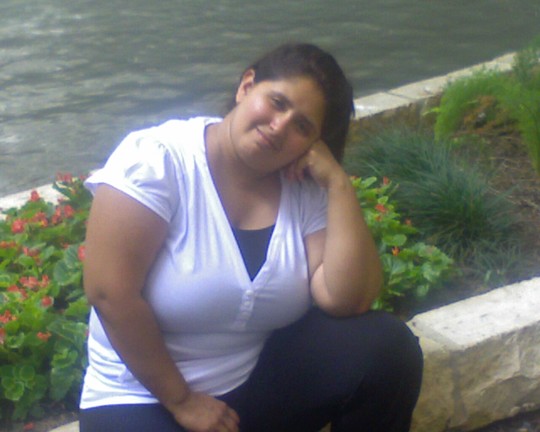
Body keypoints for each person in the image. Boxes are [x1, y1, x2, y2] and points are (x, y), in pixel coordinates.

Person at [78, 43, 423, 432]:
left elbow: (346, 299)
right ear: (246, 86)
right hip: (142, 397)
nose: (280, 127)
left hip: (251, 385)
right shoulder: (158, 159)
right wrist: (183, 401)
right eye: (277, 103)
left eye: (302, 126)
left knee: (387, 349)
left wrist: (338, 185)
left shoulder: (301, 187)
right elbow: (110, 293)